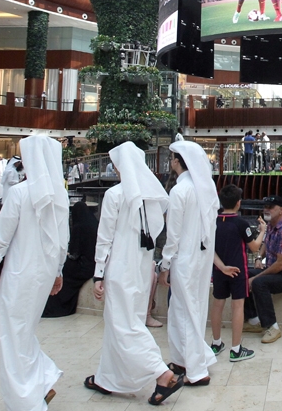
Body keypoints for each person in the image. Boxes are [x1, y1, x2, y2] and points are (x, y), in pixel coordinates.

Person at [83, 142, 185, 405]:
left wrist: (98, 273)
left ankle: (162, 373)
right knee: (125, 323)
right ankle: (108, 378)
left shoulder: (115, 194)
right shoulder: (153, 197)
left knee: (123, 325)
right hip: (142, 270)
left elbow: (104, 237)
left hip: (119, 268)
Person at [0, 135, 70, 410]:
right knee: (23, 332)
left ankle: (26, 400)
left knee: (13, 335)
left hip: (19, 273)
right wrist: (58, 271)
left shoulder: (18, 193)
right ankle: (42, 380)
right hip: (44, 273)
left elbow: (0, 240)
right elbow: (63, 239)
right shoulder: (59, 193)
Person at [160, 140, 219, 385]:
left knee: (185, 312)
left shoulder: (180, 191)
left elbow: (173, 234)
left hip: (184, 258)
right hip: (201, 258)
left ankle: (196, 371)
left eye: (172, 158)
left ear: (177, 162)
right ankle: (182, 359)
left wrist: (165, 264)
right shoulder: (206, 189)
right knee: (188, 309)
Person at [210, 185, 265, 362]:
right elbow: (254, 247)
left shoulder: (214, 221)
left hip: (219, 270)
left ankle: (216, 343)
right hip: (238, 270)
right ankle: (236, 349)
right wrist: (262, 231)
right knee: (238, 306)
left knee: (218, 304)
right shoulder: (241, 223)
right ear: (238, 203)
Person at [242, 195, 282, 344]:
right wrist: (259, 258)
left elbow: (281, 264)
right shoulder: (272, 224)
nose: (267, 210)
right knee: (244, 275)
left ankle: (272, 327)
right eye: (265, 207)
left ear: (281, 210)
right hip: (278, 270)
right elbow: (266, 243)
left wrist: (256, 278)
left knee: (259, 283)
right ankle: (253, 320)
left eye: (271, 207)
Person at [42, 201, 99, 317]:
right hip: (93, 264)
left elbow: (74, 253)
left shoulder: (79, 227)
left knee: (62, 271)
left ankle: (55, 307)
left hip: (83, 266)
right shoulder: (94, 223)